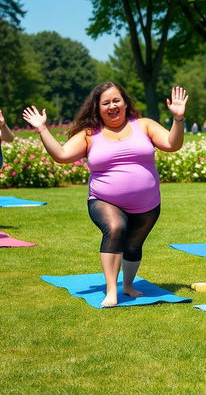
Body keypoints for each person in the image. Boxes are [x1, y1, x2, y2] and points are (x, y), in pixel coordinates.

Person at [22, 83, 188, 307]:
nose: (112, 106)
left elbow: (172, 144)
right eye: (106, 103)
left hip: (146, 204)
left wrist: (178, 119)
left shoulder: (144, 125)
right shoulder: (90, 134)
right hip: (104, 200)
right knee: (116, 227)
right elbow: (62, 155)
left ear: (125, 102)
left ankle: (128, 285)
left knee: (133, 245)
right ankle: (111, 291)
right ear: (97, 108)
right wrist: (42, 129)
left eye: (116, 100)